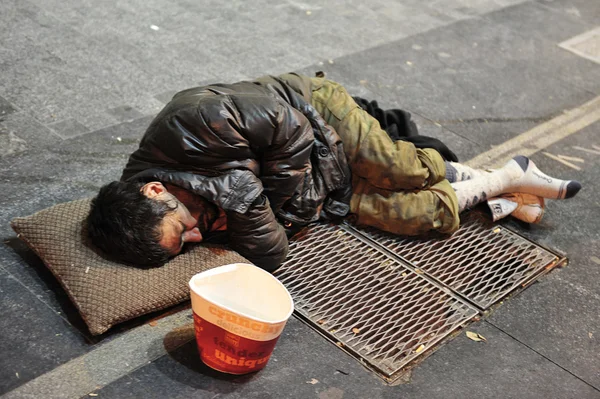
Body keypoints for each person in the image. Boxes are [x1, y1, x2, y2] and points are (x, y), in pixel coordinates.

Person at [86, 73, 581, 271]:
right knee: (417, 216)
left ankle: (497, 179)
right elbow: (275, 253)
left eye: (182, 229)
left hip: (315, 112)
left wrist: (256, 200)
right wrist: (256, 204)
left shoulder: (191, 125)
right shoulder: (193, 206)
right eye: (187, 245)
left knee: (400, 169)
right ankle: (510, 181)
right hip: (316, 182)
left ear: (155, 190)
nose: (197, 237)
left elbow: (292, 131)